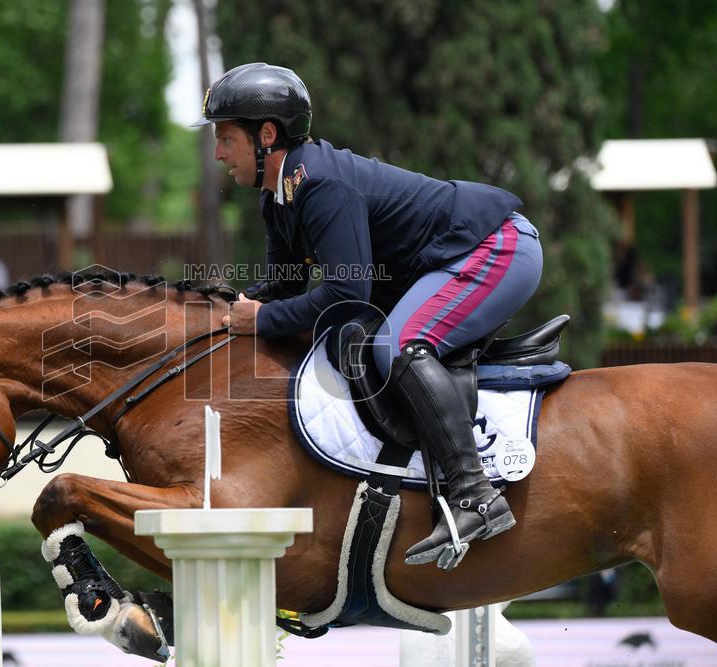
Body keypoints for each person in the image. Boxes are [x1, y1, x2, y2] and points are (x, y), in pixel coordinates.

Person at [198, 63, 543, 567]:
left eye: (226, 137)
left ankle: (476, 495)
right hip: (457, 258)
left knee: (398, 346)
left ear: (266, 135)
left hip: (497, 248)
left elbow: (345, 295)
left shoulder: (320, 185)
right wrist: (216, 313)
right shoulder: (280, 198)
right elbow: (284, 290)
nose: (217, 153)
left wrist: (262, 319)